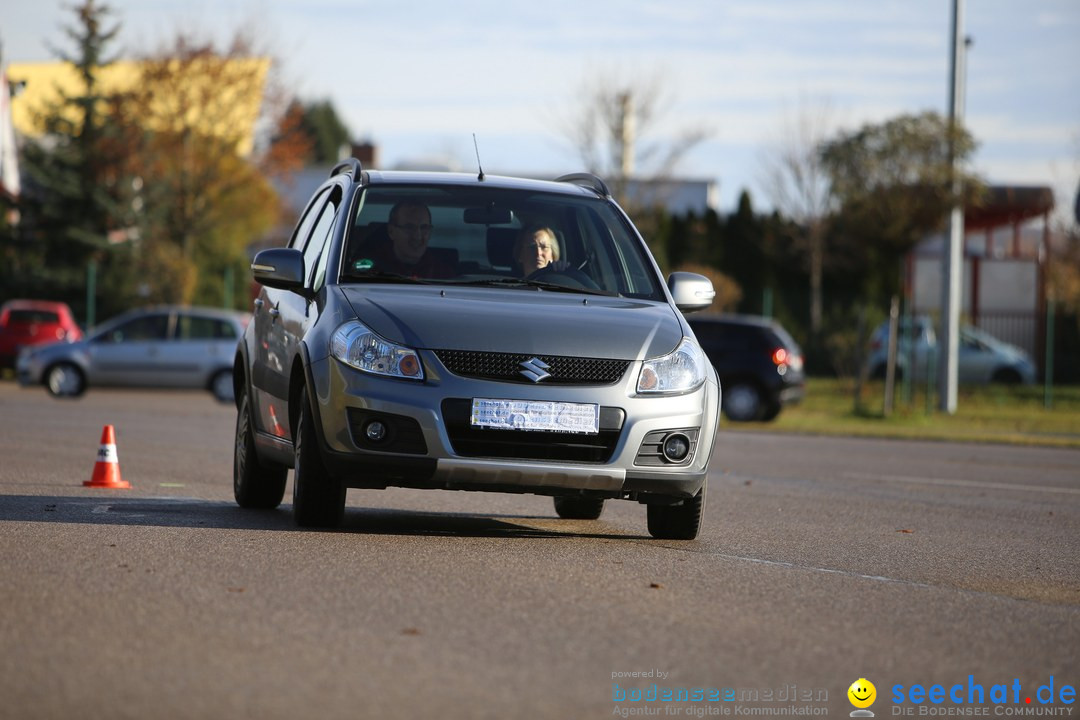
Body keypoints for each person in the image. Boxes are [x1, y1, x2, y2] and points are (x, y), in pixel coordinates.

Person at [363, 201, 454, 279]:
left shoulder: (443, 275)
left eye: (424, 227)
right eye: (409, 227)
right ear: (391, 231)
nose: (417, 236)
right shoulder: (370, 272)